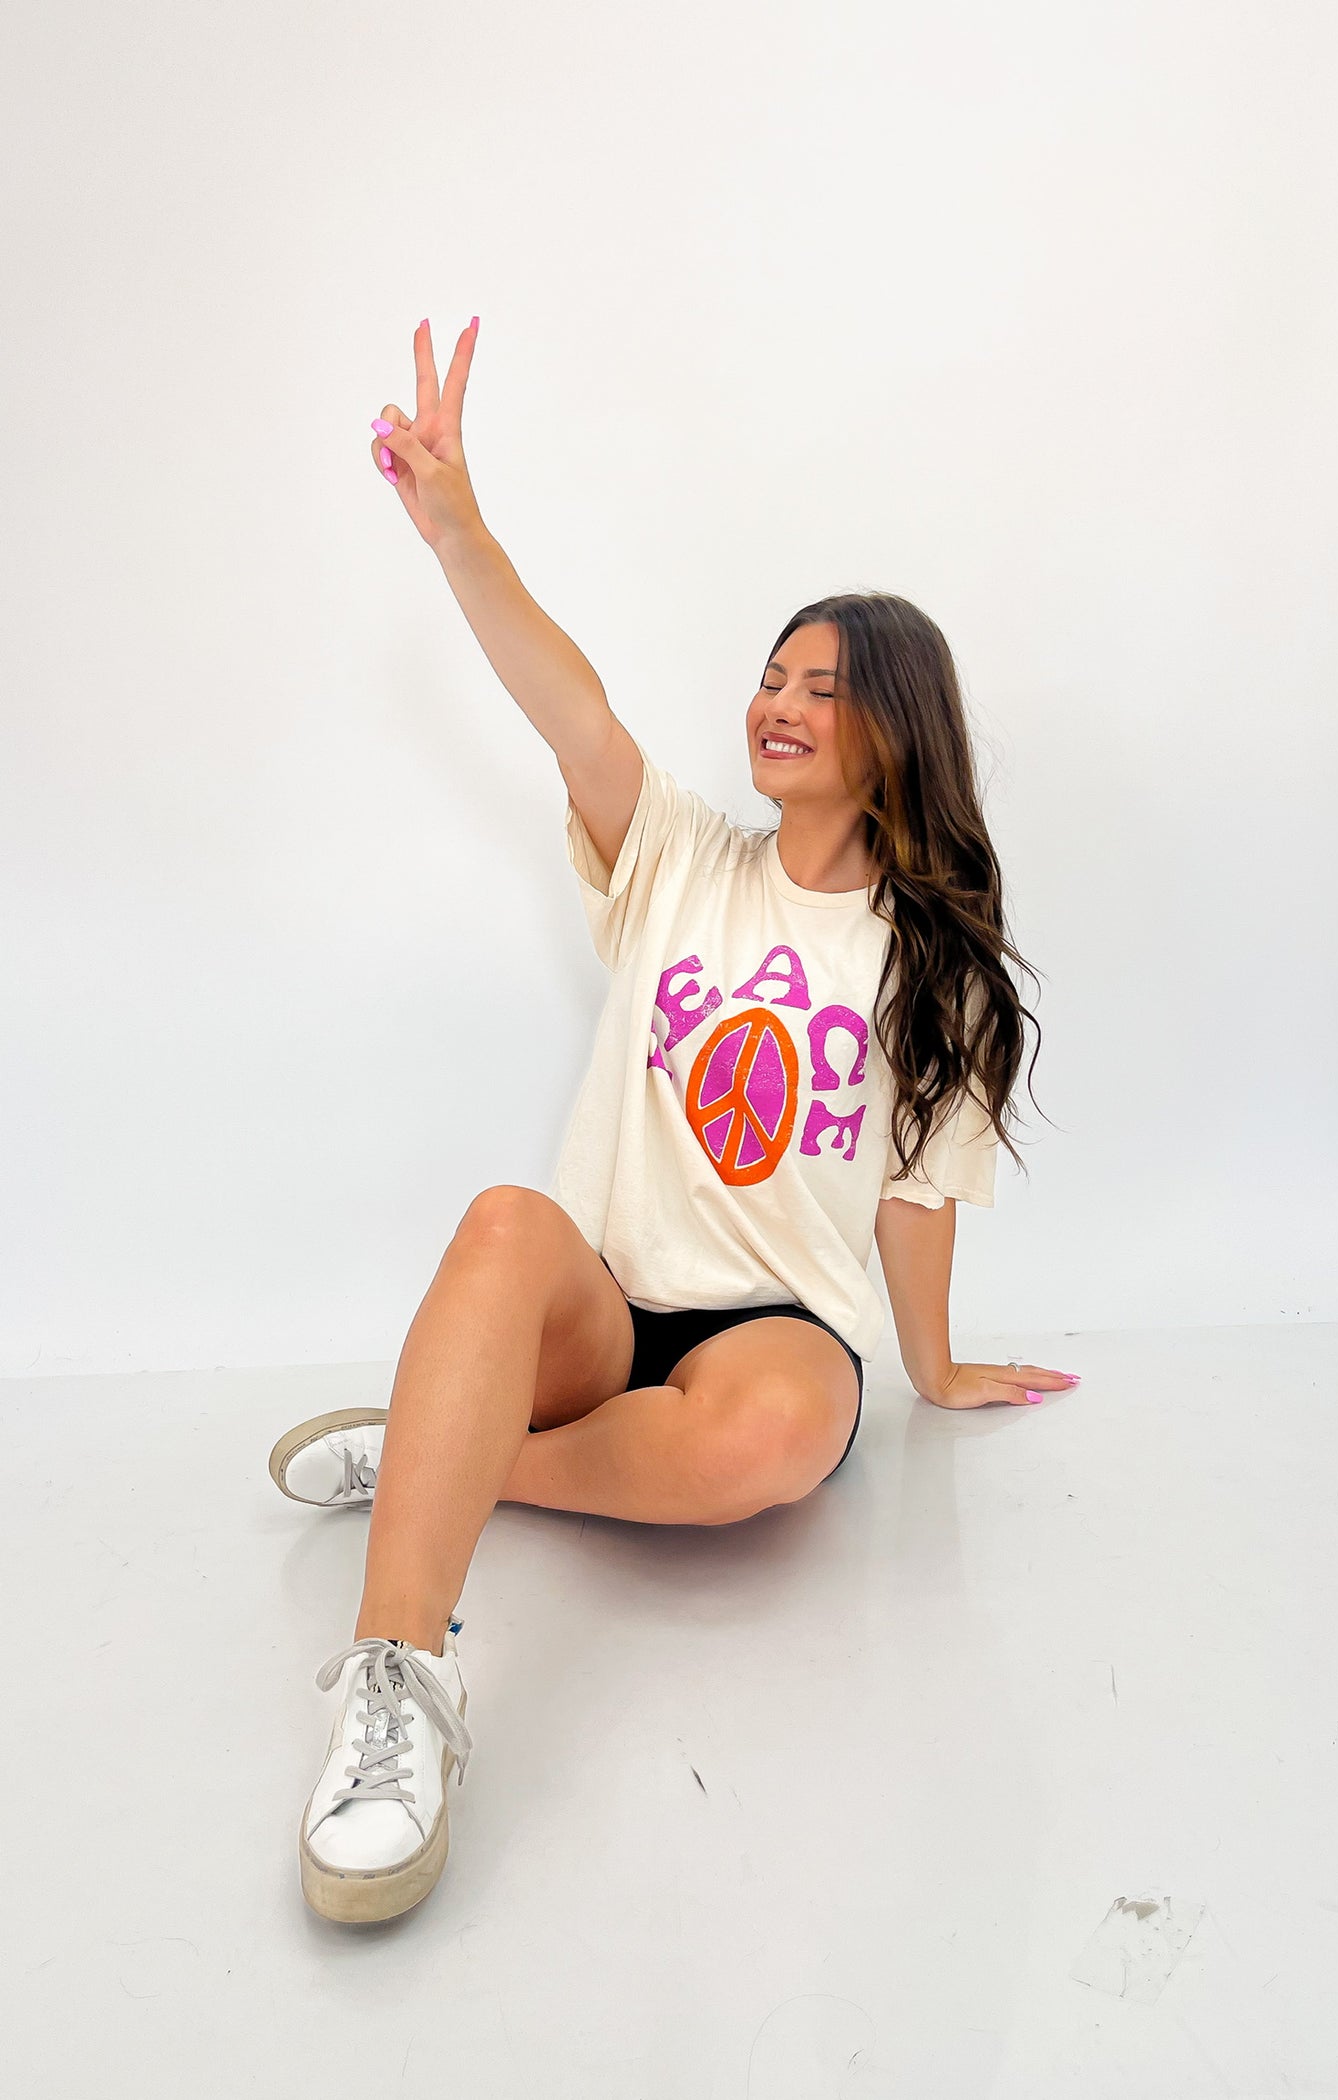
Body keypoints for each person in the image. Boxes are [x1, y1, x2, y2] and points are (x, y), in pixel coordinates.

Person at [273, 315, 1081, 1927]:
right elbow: (567, 707)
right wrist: (458, 531)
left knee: (775, 1440)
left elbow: (915, 1198)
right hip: (602, 1307)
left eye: (823, 689)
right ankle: (398, 1682)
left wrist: (930, 1373)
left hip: (776, 1332)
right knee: (506, 1220)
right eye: (771, 676)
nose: (778, 703)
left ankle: (453, 1456)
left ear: (897, 730)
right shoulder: (681, 860)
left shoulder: (942, 970)